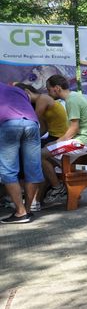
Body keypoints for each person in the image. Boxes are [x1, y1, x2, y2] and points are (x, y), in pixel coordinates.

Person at [40, 75, 87, 204]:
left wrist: (56, 142)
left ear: (57, 88)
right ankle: (65, 189)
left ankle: (58, 189)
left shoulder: (71, 100)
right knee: (49, 157)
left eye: (49, 90)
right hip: (83, 141)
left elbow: (74, 128)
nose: (48, 93)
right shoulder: (76, 95)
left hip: (80, 143)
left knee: (40, 155)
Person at [13, 82, 67, 209]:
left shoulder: (43, 98)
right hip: (52, 136)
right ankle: (34, 198)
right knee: (24, 152)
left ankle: (56, 188)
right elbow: (43, 128)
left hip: (59, 137)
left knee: (30, 155)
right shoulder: (41, 103)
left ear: (27, 92)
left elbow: (32, 120)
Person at [0, 83, 43, 224]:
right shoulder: (15, 89)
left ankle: (20, 212)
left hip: (9, 124)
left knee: (8, 170)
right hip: (31, 123)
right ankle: (27, 210)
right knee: (33, 168)